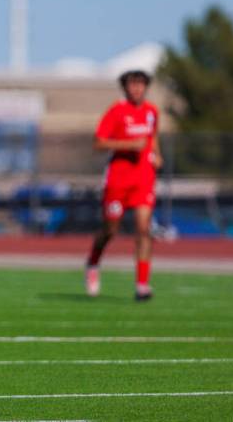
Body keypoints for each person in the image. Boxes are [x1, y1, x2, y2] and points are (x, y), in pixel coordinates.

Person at [85, 69, 161, 301]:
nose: (136, 88)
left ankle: (142, 285)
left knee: (143, 229)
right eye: (132, 84)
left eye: (140, 84)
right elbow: (98, 142)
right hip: (118, 180)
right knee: (111, 230)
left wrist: (157, 155)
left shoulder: (151, 112)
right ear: (125, 87)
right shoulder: (116, 111)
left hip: (143, 179)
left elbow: (153, 137)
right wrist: (127, 145)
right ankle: (93, 262)